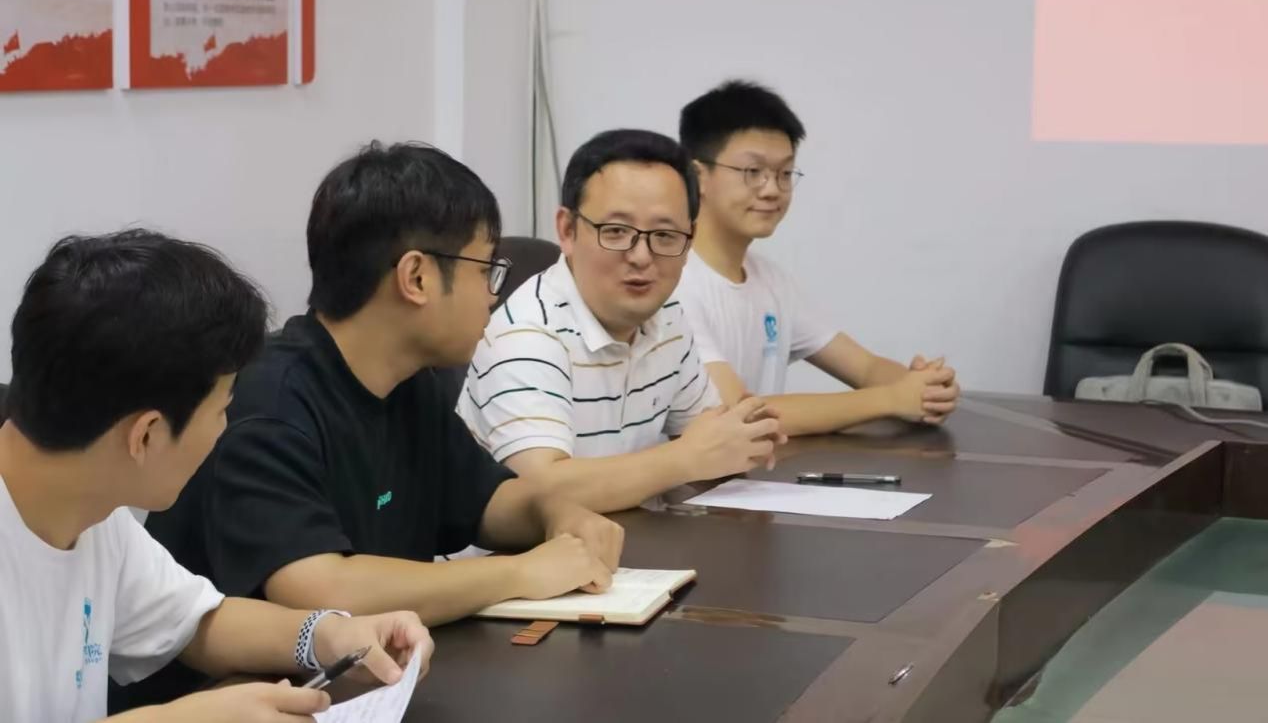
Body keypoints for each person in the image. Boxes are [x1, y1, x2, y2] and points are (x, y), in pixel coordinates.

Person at [126, 142, 624, 706]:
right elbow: (318, 588)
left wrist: (555, 513)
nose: (494, 296)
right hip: (221, 703)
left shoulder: (409, 381)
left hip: (359, 690)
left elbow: (488, 502)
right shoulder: (270, 403)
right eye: (487, 270)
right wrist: (521, 574)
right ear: (416, 277)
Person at [0, 229, 430, 723]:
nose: (226, 428)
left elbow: (196, 621)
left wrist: (330, 635)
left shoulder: (93, 511)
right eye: (222, 408)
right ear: (146, 436)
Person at [459, 129, 784, 514]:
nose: (642, 256)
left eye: (665, 235)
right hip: (525, 552)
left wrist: (744, 436)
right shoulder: (526, 335)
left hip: (624, 540)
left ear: (689, 239)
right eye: (616, 231)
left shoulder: (667, 316)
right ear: (567, 230)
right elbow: (540, 492)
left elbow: (707, 434)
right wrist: (686, 458)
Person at [675, 80, 961, 436]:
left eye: (784, 173)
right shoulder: (674, 282)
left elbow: (866, 368)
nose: (772, 189)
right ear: (699, 176)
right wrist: (892, 399)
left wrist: (925, 388)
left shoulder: (770, 280)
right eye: (753, 172)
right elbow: (740, 414)